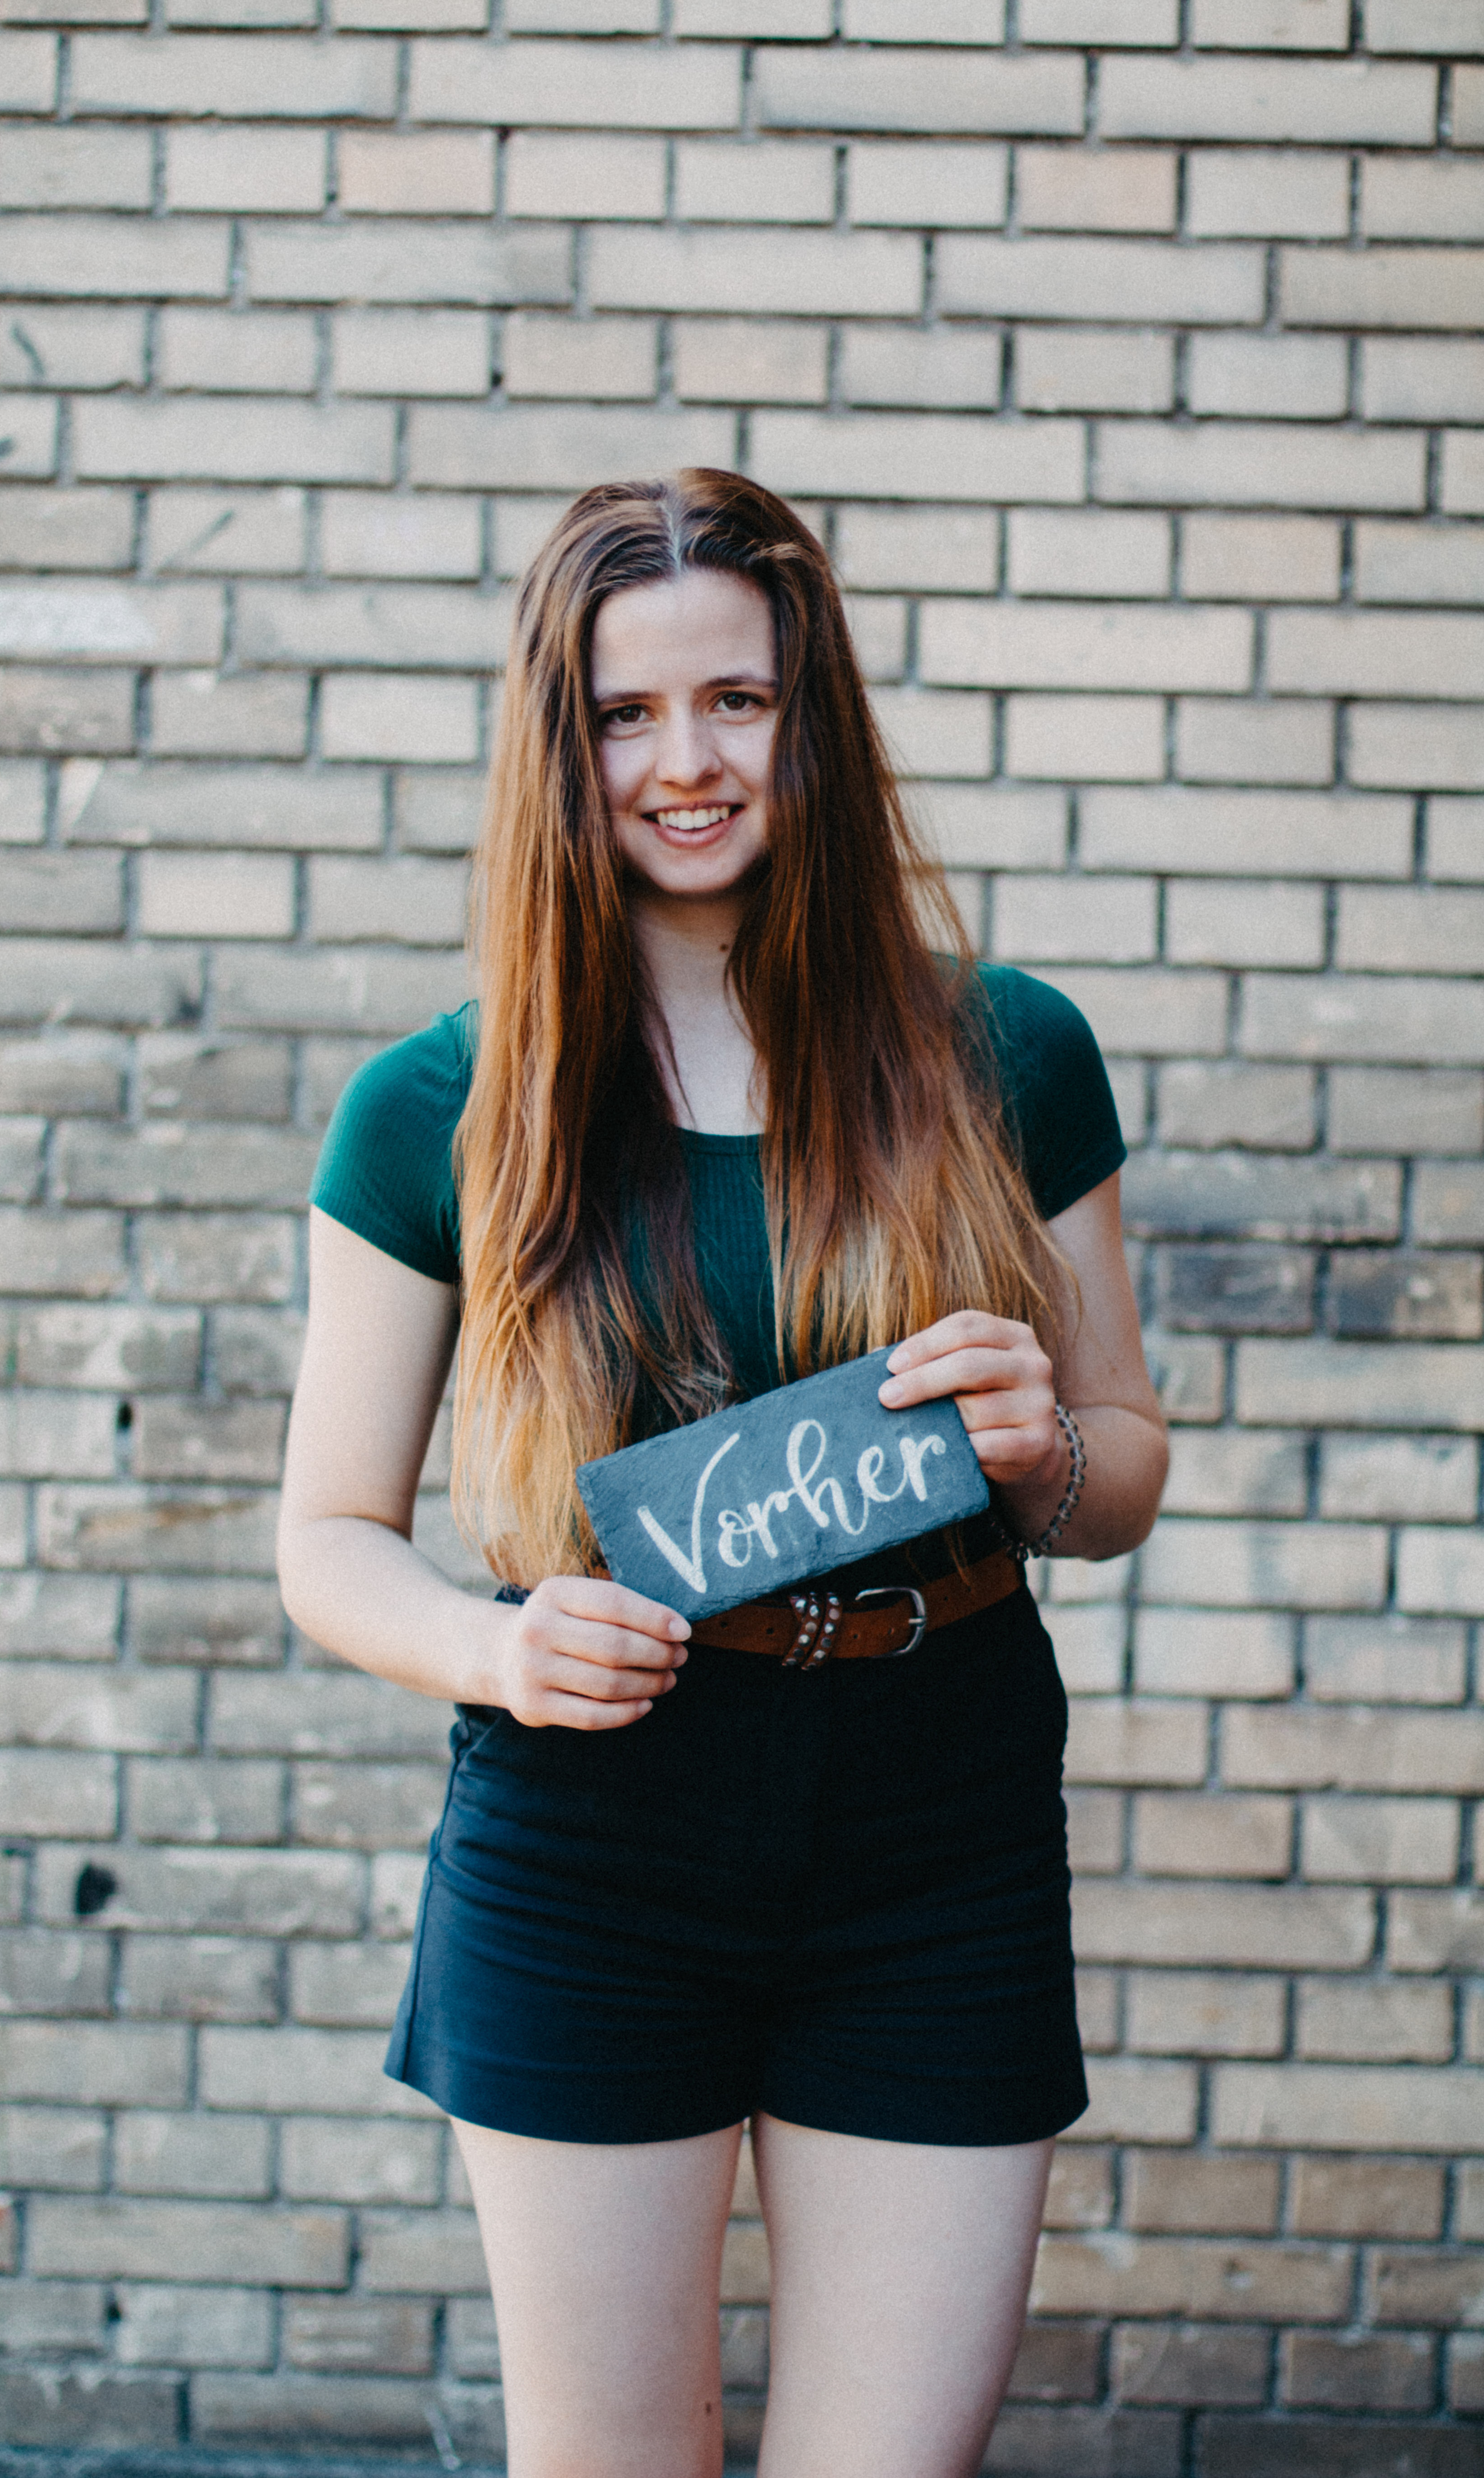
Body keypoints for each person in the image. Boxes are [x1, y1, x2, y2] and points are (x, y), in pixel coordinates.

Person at [277, 470, 1169, 2478]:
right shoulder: (442, 1106)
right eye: (626, 715)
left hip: (936, 1821)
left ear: (809, 717)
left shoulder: (1006, 1052)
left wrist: (1042, 1449)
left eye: (737, 702)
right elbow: (327, 1541)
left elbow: (1122, 1471)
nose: (686, 763)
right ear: (560, 746)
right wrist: (497, 1650)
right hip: (596, 1841)